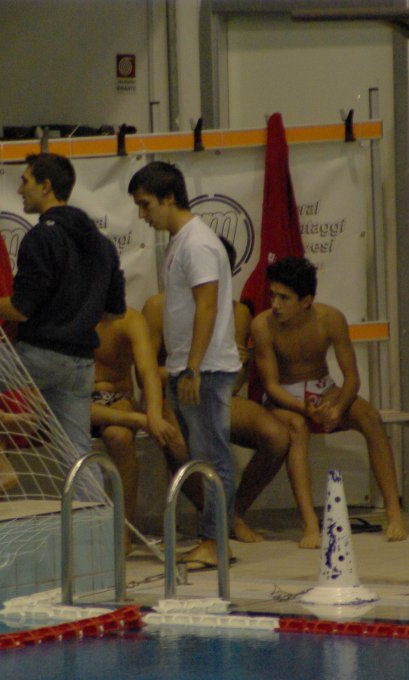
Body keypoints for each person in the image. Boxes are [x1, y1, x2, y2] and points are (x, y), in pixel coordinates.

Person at [0, 152, 126, 472]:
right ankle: (93, 505)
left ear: (46, 185)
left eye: (25, 181)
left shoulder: (42, 237)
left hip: (37, 357)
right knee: (78, 454)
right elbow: (114, 313)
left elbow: (20, 309)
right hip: (81, 365)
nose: (19, 190)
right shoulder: (103, 245)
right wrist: (75, 317)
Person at [142, 238, 293, 546]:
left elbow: (235, 384)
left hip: (217, 394)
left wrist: (236, 366)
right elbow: (146, 374)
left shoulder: (237, 313)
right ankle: (217, 519)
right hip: (174, 395)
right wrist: (189, 372)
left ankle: (232, 513)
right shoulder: (158, 307)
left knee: (277, 436)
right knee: (177, 443)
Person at [129, 161, 241, 571]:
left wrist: (193, 367)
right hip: (189, 367)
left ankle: (215, 542)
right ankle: (214, 538)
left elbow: (207, 306)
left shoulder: (198, 243)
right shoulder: (181, 241)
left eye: (146, 205)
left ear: (169, 198)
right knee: (201, 456)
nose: (143, 215)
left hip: (205, 369)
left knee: (214, 458)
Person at [251, 255, 407, 545]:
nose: (275, 304)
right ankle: (310, 524)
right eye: (273, 295)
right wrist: (303, 408)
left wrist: (337, 408)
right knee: (298, 428)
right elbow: (271, 386)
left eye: (284, 298)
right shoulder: (262, 326)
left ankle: (394, 513)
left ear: (306, 301)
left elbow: (352, 379)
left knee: (371, 418)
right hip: (285, 398)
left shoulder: (331, 319)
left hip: (325, 390)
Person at [91, 307, 182, 543]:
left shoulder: (128, 319)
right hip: (77, 401)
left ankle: (125, 530)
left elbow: (148, 371)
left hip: (115, 398)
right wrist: (140, 419)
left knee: (119, 437)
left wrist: (153, 415)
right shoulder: (69, 314)